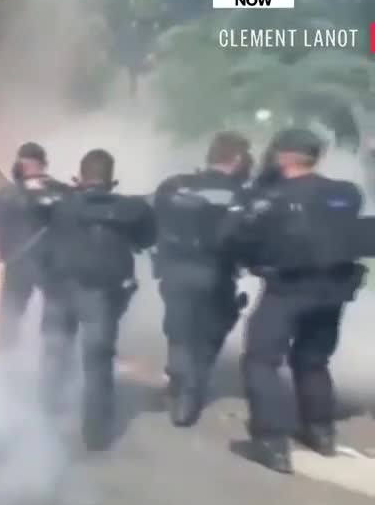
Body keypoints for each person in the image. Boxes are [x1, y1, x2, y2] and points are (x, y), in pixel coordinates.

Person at [222, 127, 366, 474]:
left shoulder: (272, 196)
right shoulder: (348, 193)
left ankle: (270, 442)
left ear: (284, 156)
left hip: (288, 288)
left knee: (261, 359)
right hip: (332, 292)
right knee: (312, 360)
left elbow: (233, 235)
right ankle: (320, 432)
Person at [39, 149, 155, 450]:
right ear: (111, 180)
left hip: (61, 289)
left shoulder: (62, 205)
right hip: (102, 294)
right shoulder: (132, 209)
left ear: (80, 177)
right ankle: (96, 434)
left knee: (55, 353)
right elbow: (146, 240)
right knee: (98, 364)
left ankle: (45, 420)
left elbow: (44, 238)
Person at [151, 131, 254, 427]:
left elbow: (152, 220)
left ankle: (177, 372)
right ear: (236, 159)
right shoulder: (243, 195)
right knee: (209, 333)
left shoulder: (174, 186)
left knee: (178, 326)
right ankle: (188, 394)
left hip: (174, 269)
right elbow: (250, 235)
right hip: (216, 273)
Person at [0, 142, 67, 347]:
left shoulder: (12, 193)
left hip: (48, 264)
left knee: (52, 319)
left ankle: (52, 364)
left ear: (42, 165)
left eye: (29, 163)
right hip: (24, 262)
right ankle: (9, 366)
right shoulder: (9, 193)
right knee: (12, 319)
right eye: (24, 163)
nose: (27, 167)